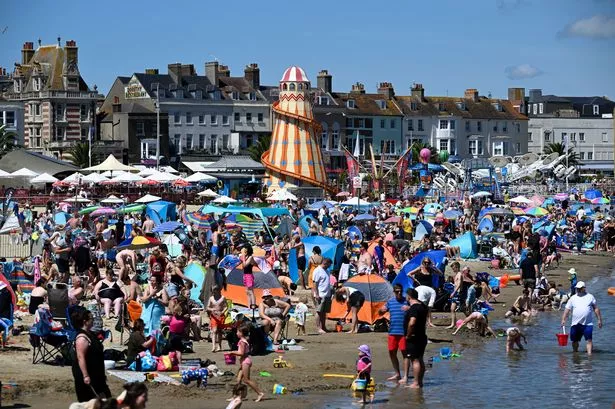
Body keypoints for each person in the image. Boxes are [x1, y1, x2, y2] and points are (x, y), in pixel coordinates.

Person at [71, 308, 111, 402]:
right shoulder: (82, 338)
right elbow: (81, 358)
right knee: (90, 403)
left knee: (106, 401)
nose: (93, 320)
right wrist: (85, 376)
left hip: (97, 374)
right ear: (85, 321)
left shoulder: (91, 334)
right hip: (87, 375)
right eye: (91, 319)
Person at [560, 281, 602, 354]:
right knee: (574, 341)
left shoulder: (590, 297)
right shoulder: (573, 298)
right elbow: (567, 309)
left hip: (588, 324)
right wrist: (563, 319)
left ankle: (589, 356)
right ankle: (575, 353)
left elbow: (596, 308)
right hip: (575, 324)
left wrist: (599, 320)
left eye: (580, 288)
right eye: (577, 288)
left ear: (584, 288)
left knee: (589, 340)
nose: (578, 290)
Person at [378, 284, 409, 384]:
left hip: (403, 332)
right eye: (397, 291)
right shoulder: (390, 302)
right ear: (394, 292)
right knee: (392, 352)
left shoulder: (407, 301)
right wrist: (381, 310)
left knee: (405, 353)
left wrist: (409, 308)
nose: (399, 293)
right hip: (392, 331)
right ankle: (397, 373)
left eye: (400, 291)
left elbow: (415, 310)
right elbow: (380, 313)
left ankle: (405, 376)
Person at [229, 323, 264, 402]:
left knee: (246, 380)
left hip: (245, 362)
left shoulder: (242, 342)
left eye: (238, 332)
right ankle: (236, 396)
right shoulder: (243, 340)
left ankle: (260, 393)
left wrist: (232, 353)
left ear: (241, 333)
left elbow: (241, 353)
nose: (236, 333)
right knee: (238, 380)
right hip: (243, 362)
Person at [404, 288, 428, 389]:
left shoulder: (414, 308)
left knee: (415, 360)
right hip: (422, 336)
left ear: (409, 296)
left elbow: (412, 322)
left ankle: (416, 383)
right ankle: (420, 382)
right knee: (420, 359)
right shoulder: (422, 307)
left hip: (414, 337)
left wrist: (408, 334)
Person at [312, 258, 332, 334]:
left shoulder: (327, 271)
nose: (329, 267)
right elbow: (315, 283)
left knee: (324, 312)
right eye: (329, 265)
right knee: (318, 311)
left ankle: (323, 326)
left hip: (327, 294)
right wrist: (316, 294)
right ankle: (318, 328)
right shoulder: (317, 271)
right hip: (320, 294)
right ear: (325, 263)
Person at [206, 285, 227, 353]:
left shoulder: (223, 298)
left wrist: (222, 312)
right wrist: (212, 309)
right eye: (213, 292)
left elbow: (226, 306)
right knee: (214, 330)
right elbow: (207, 307)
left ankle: (219, 346)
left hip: (221, 315)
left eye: (215, 291)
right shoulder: (211, 298)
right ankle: (213, 346)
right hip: (214, 316)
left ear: (218, 291)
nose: (214, 293)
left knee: (220, 331)